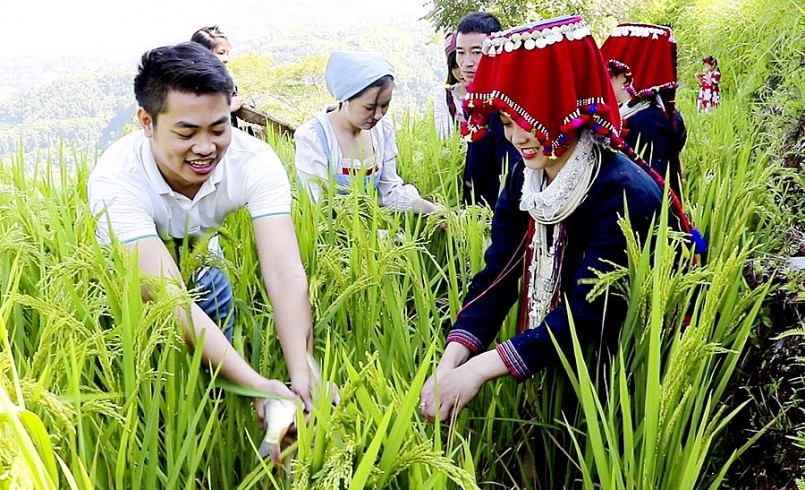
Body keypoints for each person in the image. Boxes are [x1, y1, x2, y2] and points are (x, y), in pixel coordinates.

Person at [419, 15, 704, 423]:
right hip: (558, 348)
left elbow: (589, 311)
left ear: (564, 109)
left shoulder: (623, 191)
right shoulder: (526, 175)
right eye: (505, 122)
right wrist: (450, 365)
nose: (517, 138)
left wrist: (479, 370)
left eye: (528, 120)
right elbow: (499, 274)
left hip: (628, 359)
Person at [87, 43, 332, 433]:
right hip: (132, 289)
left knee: (218, 401)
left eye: (219, 128)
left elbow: (285, 273)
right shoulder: (115, 179)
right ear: (146, 122)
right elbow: (167, 296)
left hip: (206, 272)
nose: (206, 148)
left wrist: (303, 373)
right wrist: (260, 386)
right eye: (186, 132)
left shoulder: (254, 162)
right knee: (151, 407)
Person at [294, 51, 441, 214]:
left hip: (375, 232)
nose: (378, 114)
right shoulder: (314, 138)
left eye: (385, 105)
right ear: (346, 99)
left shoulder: (382, 130)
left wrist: (431, 210)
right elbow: (318, 208)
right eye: (369, 107)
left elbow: (389, 192)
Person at [600, 23, 687, 199]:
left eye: (608, 73)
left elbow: (652, 183)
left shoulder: (647, 123)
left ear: (626, 77)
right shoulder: (647, 114)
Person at [456, 12, 520, 209]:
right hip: (475, 218)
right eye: (460, 52)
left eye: (476, 52)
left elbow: (513, 174)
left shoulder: (506, 105)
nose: (467, 62)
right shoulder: (478, 101)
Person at [190, 26, 245, 125]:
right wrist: (228, 107)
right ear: (202, 53)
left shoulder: (225, 79)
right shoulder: (189, 83)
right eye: (221, 53)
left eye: (227, 53)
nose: (226, 59)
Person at [433, 31, 467, 139]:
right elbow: (445, 137)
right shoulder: (445, 98)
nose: (462, 71)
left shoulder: (494, 94)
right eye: (455, 65)